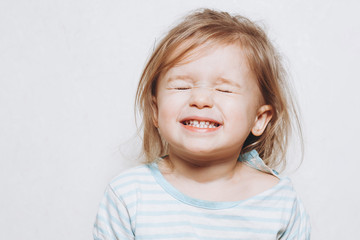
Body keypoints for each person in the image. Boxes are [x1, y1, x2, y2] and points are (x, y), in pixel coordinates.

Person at [93, 8, 310, 240]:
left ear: (259, 119)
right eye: (182, 87)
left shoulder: (280, 203)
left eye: (224, 89)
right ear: (155, 111)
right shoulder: (128, 196)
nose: (200, 99)